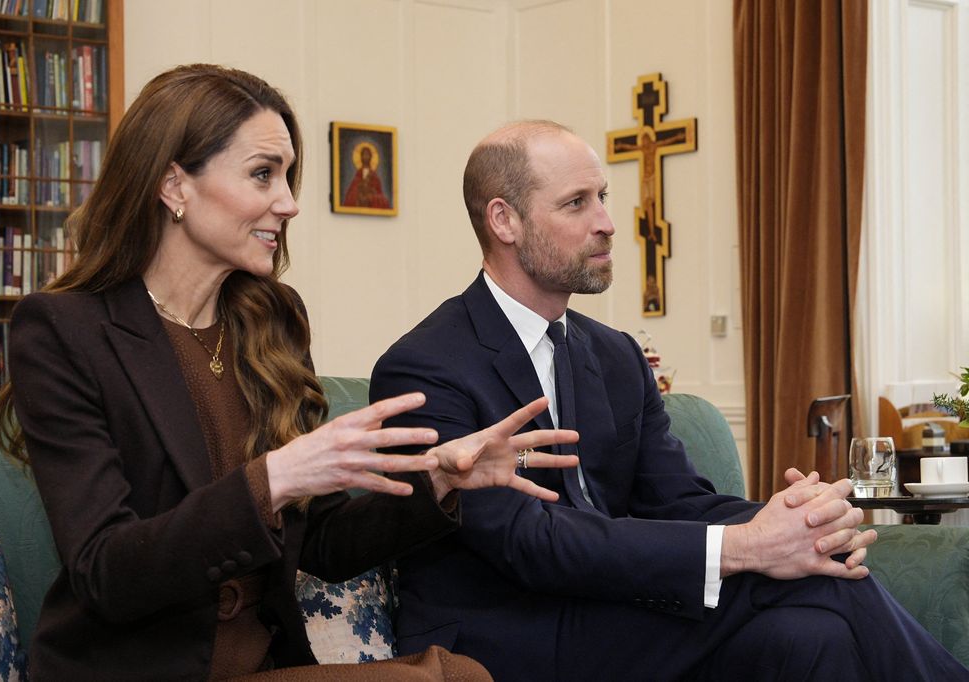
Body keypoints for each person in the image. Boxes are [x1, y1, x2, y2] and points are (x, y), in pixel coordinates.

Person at [0, 66, 580, 681]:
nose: (290, 202)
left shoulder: (271, 322)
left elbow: (322, 543)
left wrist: (440, 482)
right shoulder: (64, 331)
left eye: (289, 176)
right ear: (174, 186)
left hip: (262, 666)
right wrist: (270, 480)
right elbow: (105, 572)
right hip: (133, 671)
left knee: (461, 674)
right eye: (263, 173)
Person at [370, 120, 969, 681]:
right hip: (502, 632)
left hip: (610, 611)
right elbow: (530, 544)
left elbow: (678, 500)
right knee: (826, 590)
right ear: (504, 220)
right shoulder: (425, 367)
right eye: (577, 203)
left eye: (602, 196)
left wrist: (792, 522)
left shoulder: (613, 354)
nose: (607, 221)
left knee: (812, 634)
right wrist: (745, 547)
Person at [343, 143, 391, 209]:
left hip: (371, 195)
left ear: (370, 157)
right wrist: (360, 186)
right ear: (361, 157)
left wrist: (371, 190)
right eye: (364, 155)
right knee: (351, 197)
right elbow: (354, 187)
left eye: (367, 155)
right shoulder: (359, 173)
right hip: (360, 194)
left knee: (383, 201)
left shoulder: (374, 174)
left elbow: (378, 189)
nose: (366, 157)